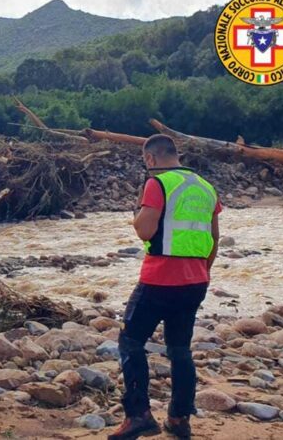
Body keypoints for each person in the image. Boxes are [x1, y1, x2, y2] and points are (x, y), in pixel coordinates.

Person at [108, 134, 221, 440]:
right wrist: (201, 273)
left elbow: (145, 228)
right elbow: (214, 238)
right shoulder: (206, 187)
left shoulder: (157, 184)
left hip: (159, 278)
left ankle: (139, 416)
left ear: (151, 159)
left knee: (130, 341)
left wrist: (136, 214)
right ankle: (180, 419)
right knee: (180, 349)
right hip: (196, 280)